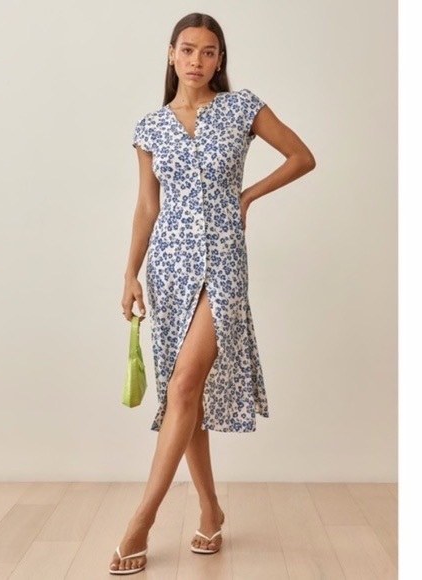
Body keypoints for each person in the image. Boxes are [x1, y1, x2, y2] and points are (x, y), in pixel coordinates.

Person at [110, 12, 316, 575]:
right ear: (171, 54)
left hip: (223, 262)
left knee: (182, 385)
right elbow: (147, 206)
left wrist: (247, 196)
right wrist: (130, 273)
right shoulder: (151, 127)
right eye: (187, 49)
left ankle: (141, 521)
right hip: (168, 268)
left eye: (208, 51)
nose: (197, 60)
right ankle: (210, 509)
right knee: (187, 395)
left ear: (220, 59)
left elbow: (302, 157)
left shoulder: (241, 107)